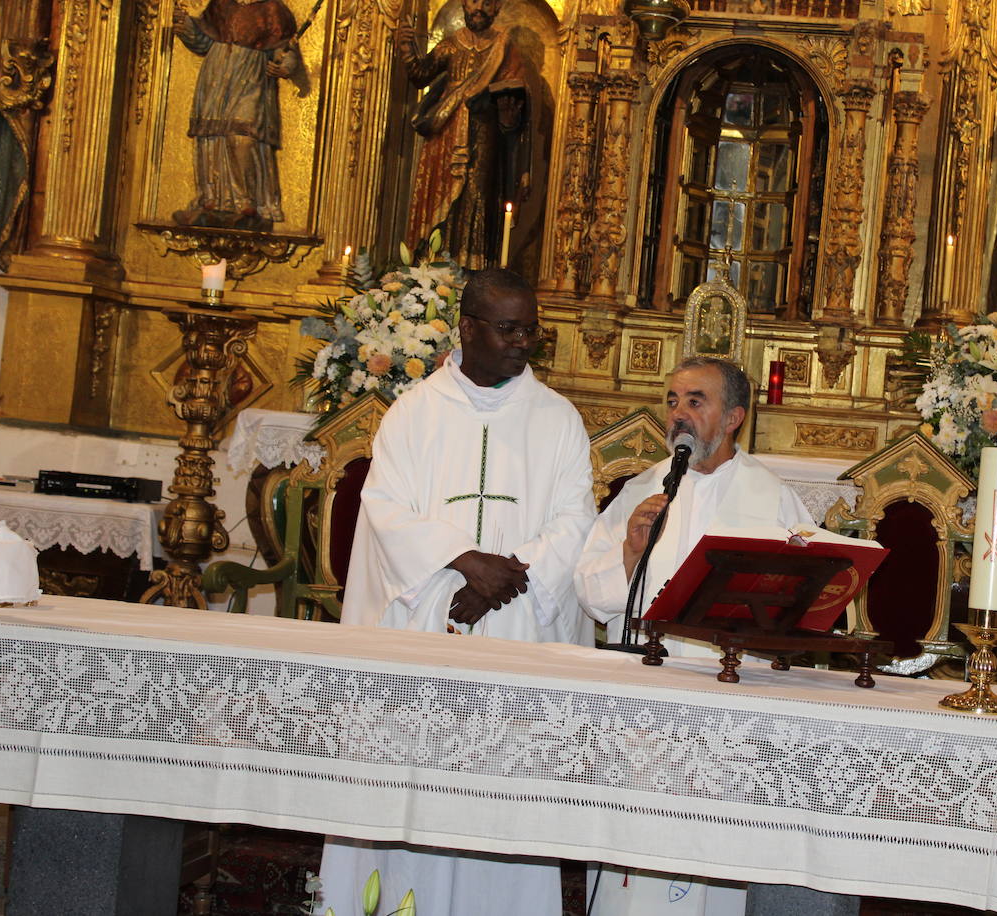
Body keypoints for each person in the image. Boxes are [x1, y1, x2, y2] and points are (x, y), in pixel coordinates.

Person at [317, 268, 595, 916]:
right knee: (411, 789)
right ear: (468, 329)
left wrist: (502, 580)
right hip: (427, 624)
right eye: (508, 329)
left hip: (517, 628)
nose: (523, 342)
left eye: (531, 330)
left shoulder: (557, 419)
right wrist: (463, 562)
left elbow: (575, 521)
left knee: (500, 796)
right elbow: (385, 510)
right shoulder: (414, 413)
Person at [574, 356, 813, 916]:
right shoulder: (641, 490)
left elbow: (800, 603)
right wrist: (630, 553)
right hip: (643, 710)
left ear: (733, 418)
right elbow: (589, 592)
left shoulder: (772, 498)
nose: (678, 413)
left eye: (695, 401)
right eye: (672, 401)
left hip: (727, 707)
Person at [396, 0, 535, 266]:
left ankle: (470, 267)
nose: (478, 8)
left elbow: (515, 108)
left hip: (485, 138)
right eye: (473, 1)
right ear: (463, 4)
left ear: (497, 8)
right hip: (444, 134)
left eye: (487, 3)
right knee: (440, 196)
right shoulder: (451, 45)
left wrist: (508, 115)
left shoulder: (506, 49)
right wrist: (406, 48)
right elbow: (420, 75)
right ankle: (431, 262)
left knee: (477, 196)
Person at [173, 0, 301, 230]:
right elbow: (205, 42)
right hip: (216, 79)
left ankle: (248, 201)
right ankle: (212, 199)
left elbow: (285, 49)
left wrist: (285, 67)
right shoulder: (222, 4)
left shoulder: (273, 10)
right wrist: (187, 28)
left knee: (243, 139)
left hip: (251, 80)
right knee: (213, 137)